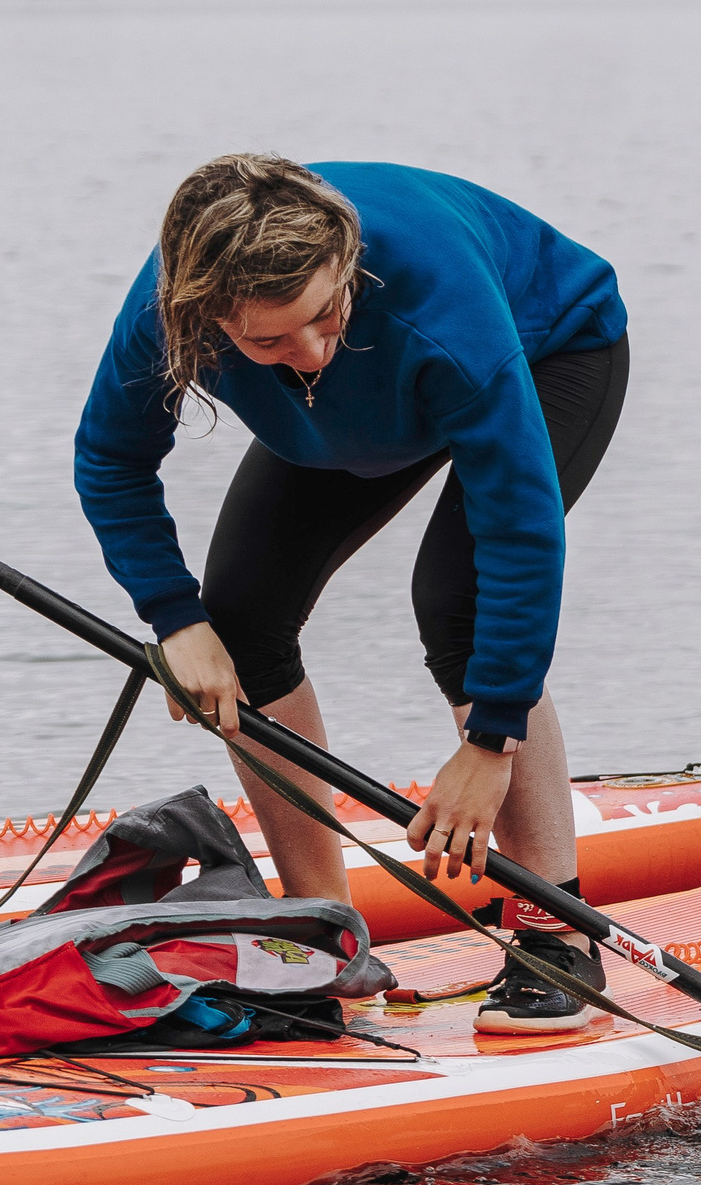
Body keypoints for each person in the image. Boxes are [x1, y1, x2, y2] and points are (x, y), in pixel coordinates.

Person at [75, 154, 628, 1033]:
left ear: (347, 267)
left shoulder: (440, 307)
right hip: (366, 406)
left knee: (459, 603)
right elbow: (110, 458)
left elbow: (520, 534)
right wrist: (175, 619)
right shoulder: (167, 309)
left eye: (324, 315)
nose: (313, 350)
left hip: (550, 347)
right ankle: (323, 935)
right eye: (269, 341)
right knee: (241, 624)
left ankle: (554, 933)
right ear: (204, 317)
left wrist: (490, 745)